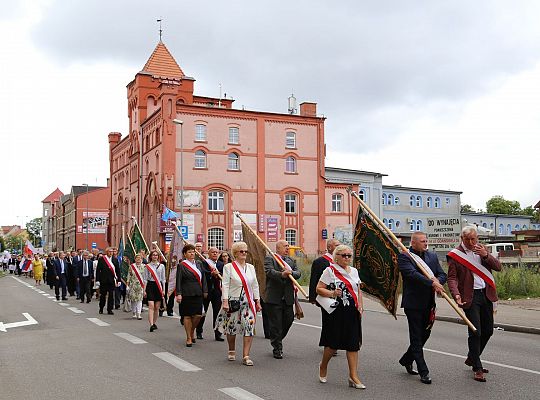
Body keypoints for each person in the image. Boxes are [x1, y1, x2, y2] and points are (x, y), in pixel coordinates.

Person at [447, 226, 502, 383]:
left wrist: (486, 256)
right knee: (475, 331)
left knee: (488, 331)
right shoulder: (456, 255)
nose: (471, 242)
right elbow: (452, 278)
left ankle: (472, 357)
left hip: (486, 295)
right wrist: (456, 294)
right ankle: (477, 367)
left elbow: (498, 267)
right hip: (470, 298)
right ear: (462, 238)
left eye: (474, 239)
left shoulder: (482, 250)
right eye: (468, 239)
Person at [398, 232, 446, 384]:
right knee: (416, 337)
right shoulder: (405, 257)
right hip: (413, 304)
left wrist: (438, 281)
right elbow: (411, 274)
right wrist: (432, 283)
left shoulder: (431, 256)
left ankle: (406, 359)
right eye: (423, 241)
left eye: (426, 241)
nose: (426, 243)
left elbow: (441, 274)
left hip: (429, 303)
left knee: (425, 334)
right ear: (413, 243)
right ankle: (423, 371)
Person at [316, 244, 365, 389]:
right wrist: (332, 293)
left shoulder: (354, 271)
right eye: (344, 255)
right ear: (336, 257)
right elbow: (318, 289)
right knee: (332, 345)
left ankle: (353, 376)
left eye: (349, 255)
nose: (347, 258)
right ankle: (323, 366)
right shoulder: (329, 271)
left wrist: (360, 305)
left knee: (353, 345)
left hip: (352, 311)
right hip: (336, 312)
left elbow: (358, 290)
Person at [215, 241, 261, 365]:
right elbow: (224, 284)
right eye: (242, 251)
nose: (244, 253)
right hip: (233, 301)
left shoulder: (250, 267)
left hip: (248, 302)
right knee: (231, 327)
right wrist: (225, 301)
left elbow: (255, 285)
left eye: (246, 251)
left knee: (249, 326)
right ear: (235, 253)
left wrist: (257, 301)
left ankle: (246, 356)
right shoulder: (228, 267)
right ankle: (231, 350)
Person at [263, 240, 301, 359]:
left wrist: (291, 273)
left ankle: (277, 338)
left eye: (288, 246)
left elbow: (298, 273)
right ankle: (277, 348)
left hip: (288, 298)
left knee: (288, 320)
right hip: (274, 297)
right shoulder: (270, 258)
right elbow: (269, 272)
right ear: (278, 248)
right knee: (276, 324)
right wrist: (282, 274)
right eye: (285, 246)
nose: (287, 248)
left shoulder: (290, 261)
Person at [176, 244, 208, 347]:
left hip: (198, 292)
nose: (192, 253)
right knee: (187, 315)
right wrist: (179, 294)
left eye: (193, 252)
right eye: (189, 252)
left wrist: (205, 290)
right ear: (185, 254)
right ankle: (189, 337)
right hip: (186, 293)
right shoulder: (182, 265)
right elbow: (178, 281)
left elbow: (203, 278)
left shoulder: (199, 264)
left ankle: (192, 330)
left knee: (198, 315)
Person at [196, 247, 225, 341]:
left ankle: (217, 333)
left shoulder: (221, 264)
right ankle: (199, 331)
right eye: (213, 252)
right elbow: (203, 274)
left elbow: (224, 276)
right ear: (209, 253)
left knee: (217, 313)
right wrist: (211, 274)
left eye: (216, 252)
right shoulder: (204, 262)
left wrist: (218, 273)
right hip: (206, 291)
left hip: (217, 291)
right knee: (203, 312)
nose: (215, 254)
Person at [309, 239, 340, 304]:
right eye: (337, 245)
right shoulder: (319, 262)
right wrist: (312, 297)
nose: (339, 247)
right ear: (329, 247)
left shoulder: (341, 260)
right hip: (325, 295)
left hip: (339, 294)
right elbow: (314, 279)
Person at [144, 250, 166, 332]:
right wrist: (144, 290)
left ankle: (154, 322)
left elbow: (163, 279)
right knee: (151, 306)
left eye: (156, 255)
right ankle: (151, 324)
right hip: (150, 286)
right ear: (150, 256)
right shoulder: (147, 266)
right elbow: (145, 279)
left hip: (158, 286)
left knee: (157, 307)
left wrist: (163, 290)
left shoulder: (161, 266)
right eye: (153, 255)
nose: (155, 256)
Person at [96, 247, 121, 315]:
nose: (111, 253)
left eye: (112, 252)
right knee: (103, 295)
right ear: (107, 252)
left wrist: (119, 280)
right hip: (103, 280)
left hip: (112, 280)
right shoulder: (102, 259)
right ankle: (101, 307)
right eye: (109, 251)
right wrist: (97, 280)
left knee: (111, 295)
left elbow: (118, 270)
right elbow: (98, 270)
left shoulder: (115, 260)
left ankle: (110, 309)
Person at [128, 254, 146, 320]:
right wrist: (127, 285)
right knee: (133, 300)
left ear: (142, 259)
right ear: (135, 259)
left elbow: (145, 277)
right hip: (133, 285)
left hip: (141, 285)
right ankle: (134, 312)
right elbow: (129, 276)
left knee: (139, 300)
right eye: (137, 258)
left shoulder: (144, 267)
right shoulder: (132, 266)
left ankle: (139, 314)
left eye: (140, 258)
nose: (138, 260)